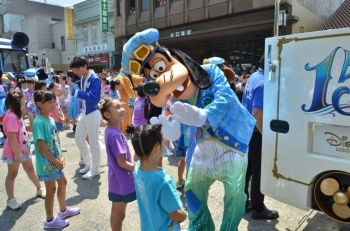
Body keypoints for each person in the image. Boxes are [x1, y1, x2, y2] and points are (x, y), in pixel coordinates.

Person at [33, 90, 80, 229]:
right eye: (49, 102)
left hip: (56, 161)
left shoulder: (51, 119)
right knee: (51, 189)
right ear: (39, 104)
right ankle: (49, 220)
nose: (53, 104)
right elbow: (41, 147)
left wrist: (62, 156)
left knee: (63, 182)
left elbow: (56, 141)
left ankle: (63, 210)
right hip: (48, 163)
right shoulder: (38, 122)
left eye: (54, 101)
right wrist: (56, 161)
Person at [127, 123, 187, 231]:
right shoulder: (163, 181)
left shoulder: (137, 169)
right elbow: (174, 214)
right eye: (163, 141)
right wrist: (184, 216)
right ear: (157, 148)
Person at [242, 55, 279, 219]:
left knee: (248, 169)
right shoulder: (264, 83)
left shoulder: (254, 77)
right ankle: (258, 208)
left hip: (248, 130)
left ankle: (243, 202)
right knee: (258, 172)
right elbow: (257, 113)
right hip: (256, 132)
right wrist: (267, 138)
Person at [1, 89, 46, 210]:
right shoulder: (11, 116)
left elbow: (18, 132)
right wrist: (16, 154)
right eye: (23, 99)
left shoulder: (17, 113)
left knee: (30, 169)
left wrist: (28, 133)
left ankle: (39, 188)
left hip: (23, 148)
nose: (25, 100)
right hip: (14, 152)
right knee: (12, 174)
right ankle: (11, 199)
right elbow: (11, 137)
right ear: (17, 100)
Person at [97, 98, 136, 231]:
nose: (123, 109)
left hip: (115, 179)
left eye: (122, 105)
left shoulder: (110, 130)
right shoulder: (116, 135)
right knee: (120, 215)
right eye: (118, 107)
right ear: (107, 114)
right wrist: (139, 168)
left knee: (115, 212)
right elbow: (122, 162)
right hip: (122, 180)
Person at [68, 56, 101, 179]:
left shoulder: (94, 78)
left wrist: (74, 92)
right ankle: (89, 163)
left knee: (94, 142)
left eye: (77, 69)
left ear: (85, 66)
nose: (76, 72)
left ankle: (95, 168)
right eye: (74, 70)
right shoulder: (82, 78)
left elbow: (93, 97)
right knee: (79, 139)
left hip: (93, 112)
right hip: (84, 112)